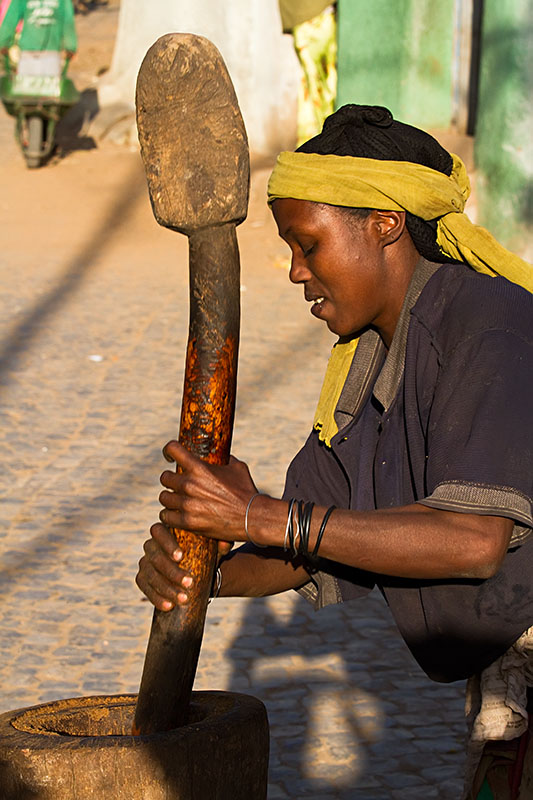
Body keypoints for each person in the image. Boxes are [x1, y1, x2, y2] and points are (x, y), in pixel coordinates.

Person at [136, 105, 533, 799]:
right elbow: (307, 545)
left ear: (385, 224)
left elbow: (472, 540)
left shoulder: (488, 324)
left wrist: (257, 515)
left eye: (308, 245)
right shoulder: (365, 359)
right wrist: (204, 571)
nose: (295, 272)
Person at [279, 0, 337, 145]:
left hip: (309, 19)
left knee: (313, 87)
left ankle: (317, 143)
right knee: (322, 86)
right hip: (315, 18)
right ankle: (326, 141)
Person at [0, 0, 77, 95]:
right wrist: (3, 42)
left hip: (51, 53)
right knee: (26, 93)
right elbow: (10, 19)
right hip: (28, 53)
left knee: (49, 93)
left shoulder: (63, 1)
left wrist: (70, 46)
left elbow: (68, 21)